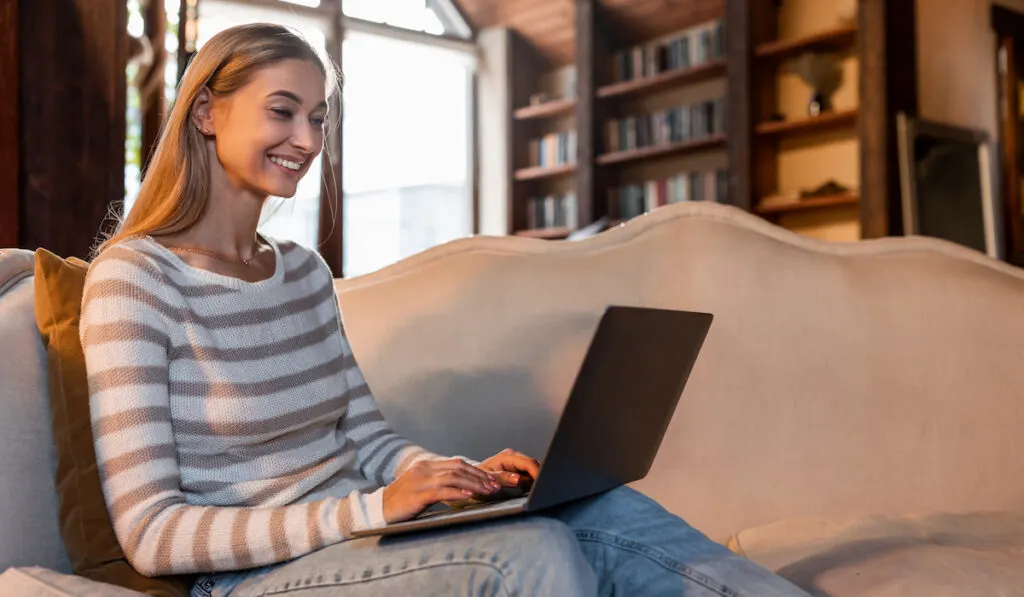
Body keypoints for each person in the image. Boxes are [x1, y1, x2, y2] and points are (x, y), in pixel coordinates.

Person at [80, 23, 811, 597]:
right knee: (535, 554)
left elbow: (365, 439)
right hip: (250, 577)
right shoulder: (135, 281)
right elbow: (152, 531)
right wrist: (370, 510)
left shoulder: (301, 273)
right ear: (207, 111)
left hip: (359, 539)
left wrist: (454, 475)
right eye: (283, 112)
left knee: (602, 509)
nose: (307, 140)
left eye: (318, 117)